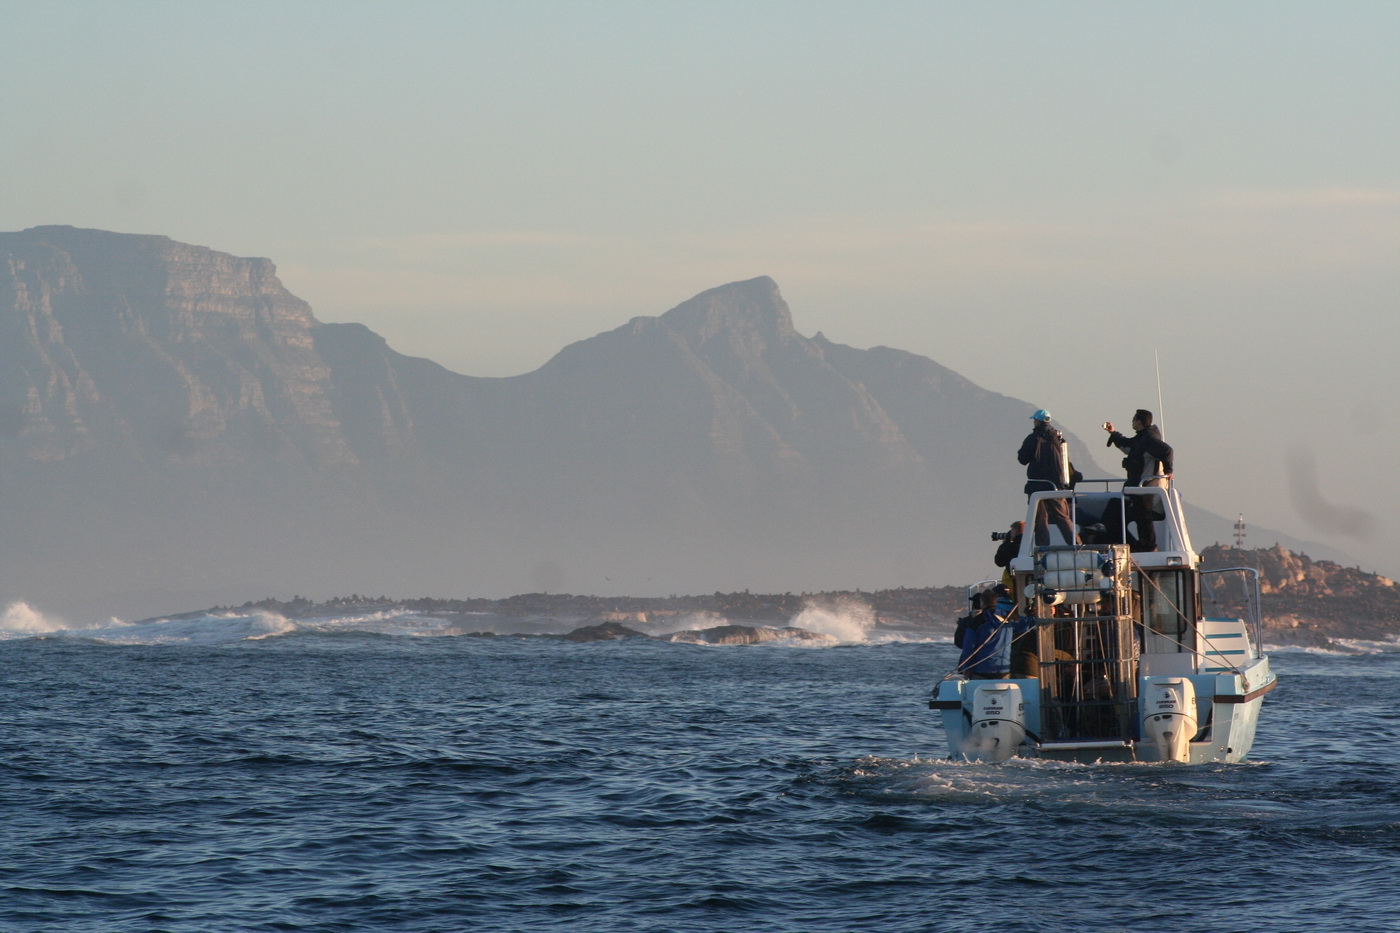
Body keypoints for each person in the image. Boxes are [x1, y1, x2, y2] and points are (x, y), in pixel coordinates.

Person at [1103, 409, 1174, 552]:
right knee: (1116, 511)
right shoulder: (1142, 438)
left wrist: (1169, 471)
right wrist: (1113, 433)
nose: (1132, 422)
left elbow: (1167, 451)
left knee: (1143, 516)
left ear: (1139, 422)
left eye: (1134, 419)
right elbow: (1129, 445)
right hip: (1137, 487)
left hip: (1145, 486)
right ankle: (1136, 545)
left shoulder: (1149, 439)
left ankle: (1149, 546)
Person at [1017, 410, 1080, 545]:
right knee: (1062, 517)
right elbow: (1065, 461)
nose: (1034, 422)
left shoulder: (1033, 438)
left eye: (1034, 420)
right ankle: (1078, 546)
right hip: (1057, 485)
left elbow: (1022, 459)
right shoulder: (1059, 438)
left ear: (1038, 421)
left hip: (1037, 485)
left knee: (1040, 519)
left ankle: (1042, 550)